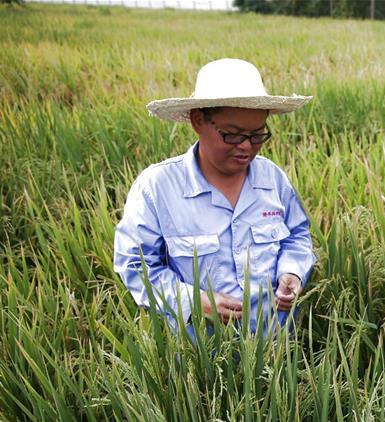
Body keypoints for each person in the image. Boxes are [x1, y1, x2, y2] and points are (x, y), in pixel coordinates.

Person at [114, 58, 316, 335]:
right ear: (198, 120)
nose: (246, 147)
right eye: (232, 135)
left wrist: (292, 272)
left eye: (257, 136)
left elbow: (297, 236)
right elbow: (136, 266)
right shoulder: (157, 187)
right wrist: (195, 302)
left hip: (277, 352)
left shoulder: (274, 179)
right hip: (200, 359)